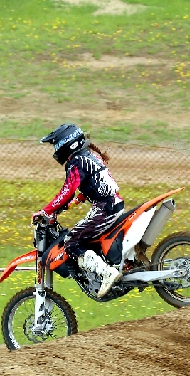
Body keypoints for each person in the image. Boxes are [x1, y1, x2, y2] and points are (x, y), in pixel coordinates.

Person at [35, 124, 124, 298]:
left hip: (104, 209)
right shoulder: (88, 157)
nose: (55, 150)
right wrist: (73, 203)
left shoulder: (76, 162)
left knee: (71, 243)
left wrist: (45, 211)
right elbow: (92, 184)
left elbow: (68, 190)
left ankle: (107, 273)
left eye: (56, 145)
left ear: (66, 144)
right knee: (85, 238)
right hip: (114, 204)